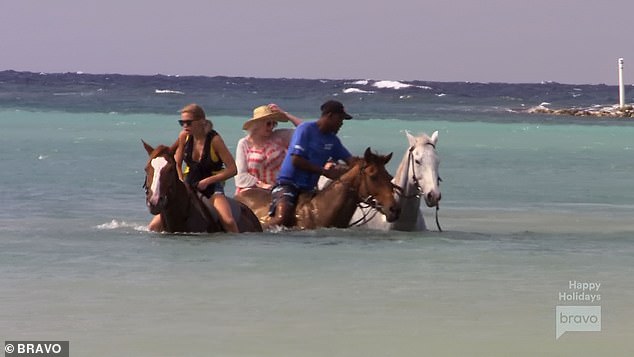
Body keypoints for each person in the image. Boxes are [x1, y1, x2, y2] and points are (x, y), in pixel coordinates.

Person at [148, 104, 239, 233]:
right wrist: (180, 181)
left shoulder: (215, 140)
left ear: (201, 121)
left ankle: (237, 247)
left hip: (212, 187)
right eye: (182, 123)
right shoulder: (183, 137)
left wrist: (207, 181)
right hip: (188, 183)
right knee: (153, 226)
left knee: (228, 221)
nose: (185, 126)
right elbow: (177, 163)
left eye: (188, 123)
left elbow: (232, 169)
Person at [269, 100, 354, 227]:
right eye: (340, 118)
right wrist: (324, 172)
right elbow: (296, 160)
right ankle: (260, 232)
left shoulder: (333, 140)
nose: (341, 123)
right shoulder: (306, 129)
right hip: (288, 185)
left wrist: (370, 165)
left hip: (309, 189)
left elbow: (351, 161)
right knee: (282, 218)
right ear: (330, 116)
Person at [234, 104, 302, 194]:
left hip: (279, 187)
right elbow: (241, 175)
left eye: (274, 123)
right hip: (252, 189)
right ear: (257, 124)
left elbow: (304, 130)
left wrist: (285, 114)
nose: (271, 127)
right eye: (268, 124)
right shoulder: (244, 143)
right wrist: (262, 185)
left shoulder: (280, 136)